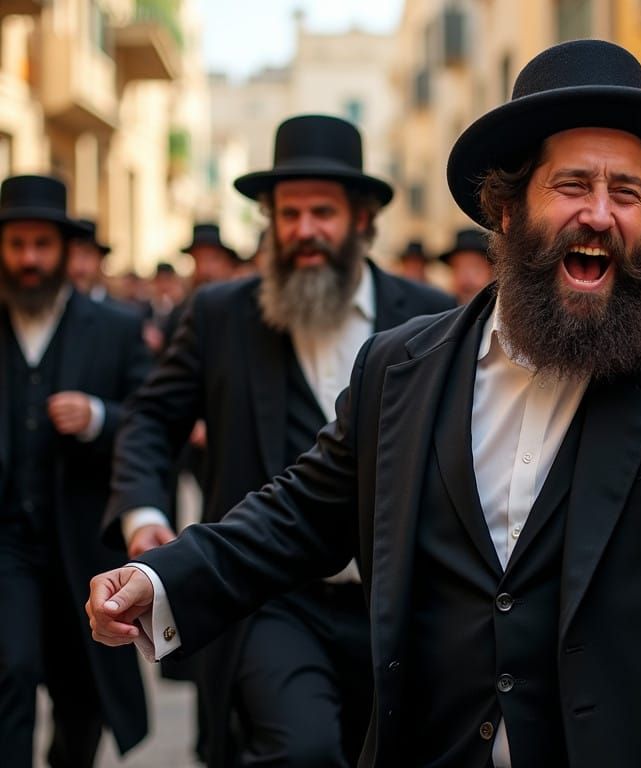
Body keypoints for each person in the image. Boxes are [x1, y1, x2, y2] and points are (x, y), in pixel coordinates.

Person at [89, 41, 641, 767]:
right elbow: (297, 516)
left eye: (627, 193)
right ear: (506, 209)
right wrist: (158, 580)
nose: (600, 213)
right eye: (572, 184)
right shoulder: (402, 366)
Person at [100, 114, 453, 768]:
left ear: (364, 219)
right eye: (288, 214)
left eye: (323, 212)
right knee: (303, 750)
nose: (304, 231)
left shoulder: (431, 316)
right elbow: (151, 419)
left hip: (401, 605)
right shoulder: (219, 316)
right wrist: (145, 517)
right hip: (272, 601)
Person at [0, 175, 151, 766]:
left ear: (64, 250)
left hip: (83, 543)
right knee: (10, 670)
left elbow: (147, 419)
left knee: (80, 692)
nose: (29, 258)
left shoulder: (112, 327)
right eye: (16, 245)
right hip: (7, 542)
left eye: (41, 244)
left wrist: (98, 417)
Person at [67, 218, 116, 304]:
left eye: (86, 255)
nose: (77, 265)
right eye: (70, 255)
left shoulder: (121, 313)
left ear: (100, 259)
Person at [440, 227, 493, 304]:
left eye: (475, 267)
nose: (466, 277)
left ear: (491, 271)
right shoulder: (440, 309)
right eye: (458, 267)